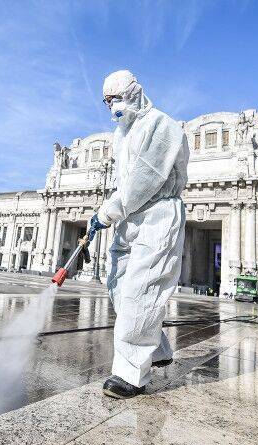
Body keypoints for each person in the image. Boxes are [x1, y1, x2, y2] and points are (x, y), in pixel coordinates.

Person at [89, 70, 189, 399]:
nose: (111, 105)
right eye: (106, 101)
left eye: (116, 97)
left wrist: (107, 211)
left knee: (141, 289)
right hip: (129, 217)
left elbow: (146, 178)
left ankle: (131, 374)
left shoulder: (163, 125)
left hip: (157, 214)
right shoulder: (122, 134)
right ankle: (157, 348)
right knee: (116, 280)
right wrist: (112, 211)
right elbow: (124, 185)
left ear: (135, 92)